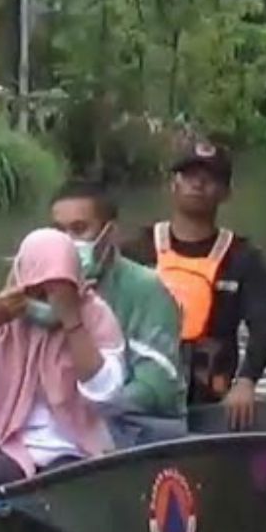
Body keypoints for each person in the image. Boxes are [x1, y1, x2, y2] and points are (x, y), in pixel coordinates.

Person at [0, 228, 127, 496]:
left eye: (55, 291)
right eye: (37, 291)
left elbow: (106, 392)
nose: (45, 300)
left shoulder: (95, 317)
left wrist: (72, 321)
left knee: (67, 489)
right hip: (2, 441)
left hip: (74, 446)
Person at [122, 139, 266, 431]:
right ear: (173, 184)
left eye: (210, 178)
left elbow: (264, 326)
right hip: (141, 395)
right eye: (189, 175)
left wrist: (246, 382)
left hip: (211, 400)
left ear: (226, 192)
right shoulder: (137, 248)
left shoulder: (244, 257)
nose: (198, 184)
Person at [48, 180, 188, 447]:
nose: (67, 242)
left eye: (79, 230)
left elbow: (155, 387)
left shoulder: (146, 289)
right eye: (58, 232)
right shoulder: (40, 286)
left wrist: (82, 407)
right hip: (61, 420)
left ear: (109, 233)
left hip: (139, 424)